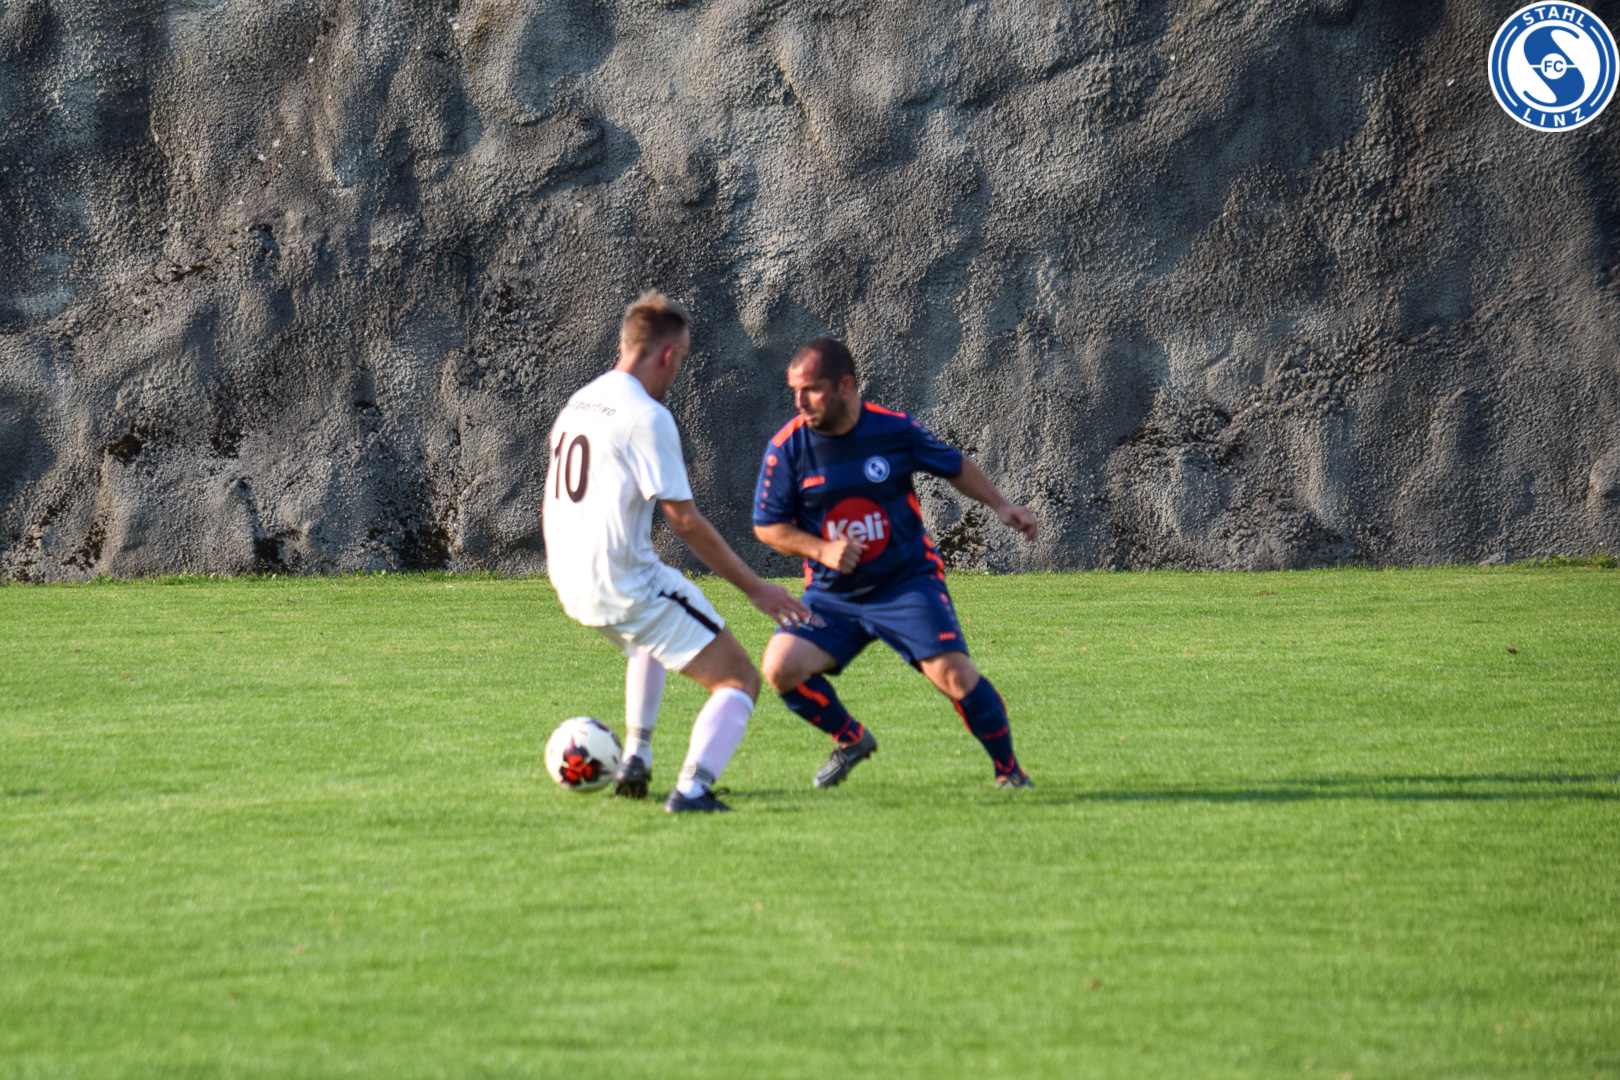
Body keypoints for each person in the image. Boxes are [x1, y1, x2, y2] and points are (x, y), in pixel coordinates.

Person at [543, 292, 809, 813]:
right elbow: (684, 521)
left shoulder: (580, 402)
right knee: (738, 679)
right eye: (682, 358)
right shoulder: (647, 416)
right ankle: (692, 790)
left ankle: (636, 756)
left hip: (571, 583)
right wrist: (756, 588)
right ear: (667, 354)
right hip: (626, 586)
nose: (678, 369)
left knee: (650, 637)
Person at [752, 337, 1039, 789]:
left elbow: (954, 464)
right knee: (780, 666)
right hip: (833, 596)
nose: (800, 402)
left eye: (811, 389)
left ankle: (1010, 773)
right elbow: (768, 526)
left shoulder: (893, 429)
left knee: (954, 675)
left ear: (846, 386)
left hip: (906, 584)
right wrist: (821, 550)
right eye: (795, 391)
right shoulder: (787, 447)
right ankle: (851, 739)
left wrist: (1002, 505)